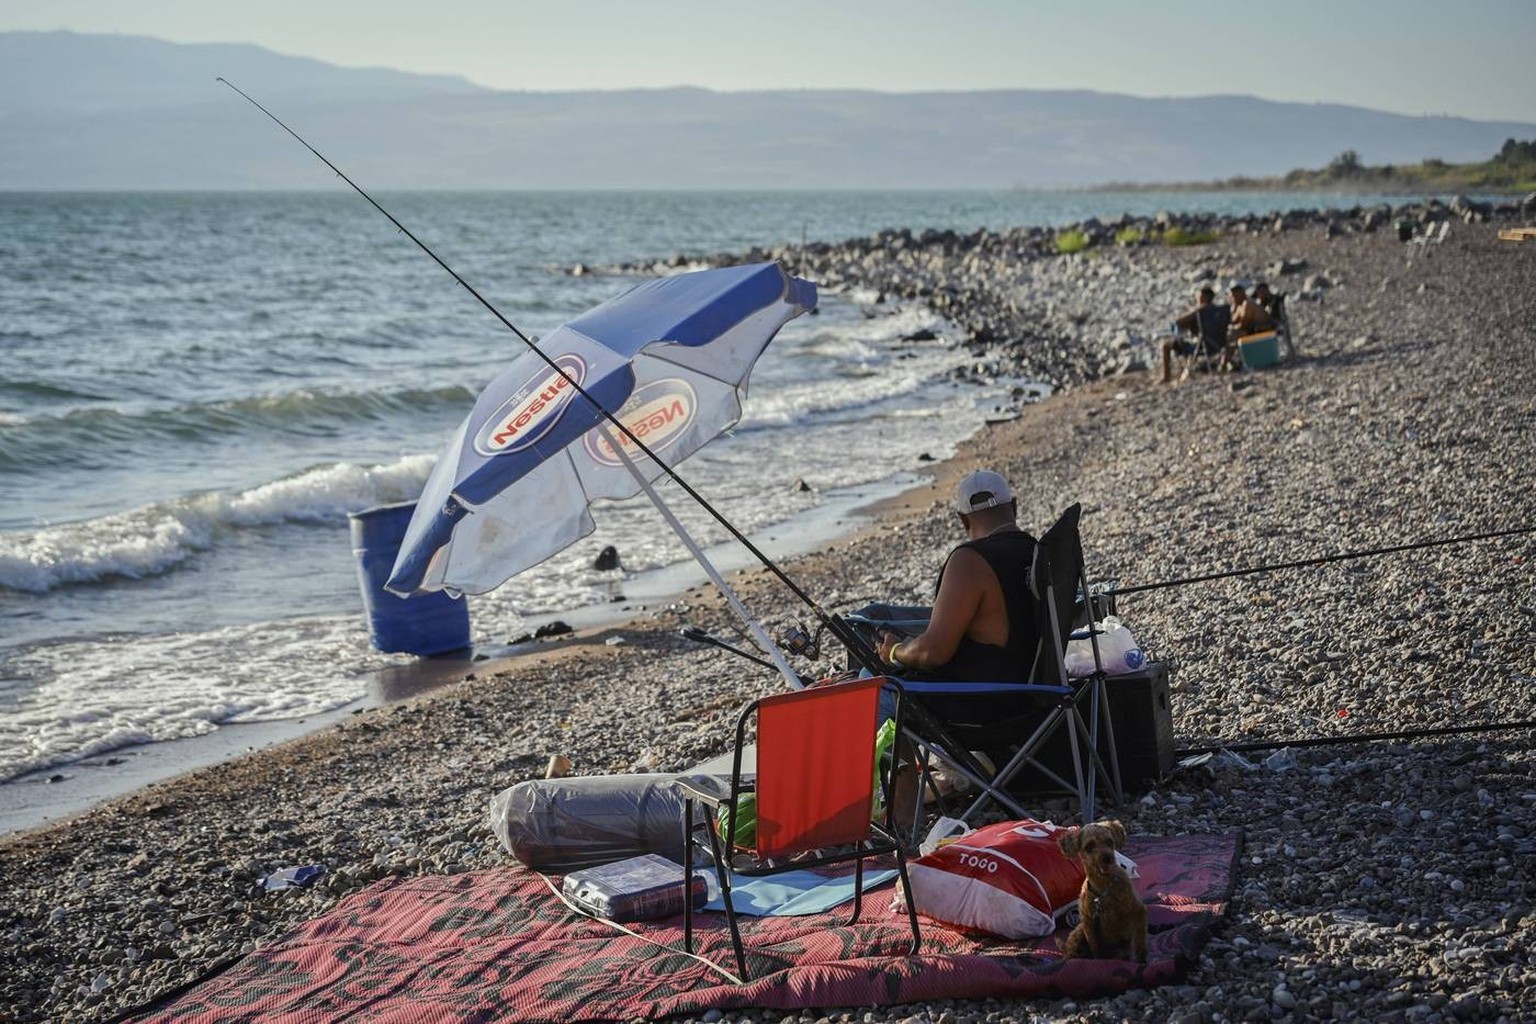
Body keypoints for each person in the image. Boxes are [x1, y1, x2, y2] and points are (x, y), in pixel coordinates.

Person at [875, 470, 1040, 682]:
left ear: (963, 520)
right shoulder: (1036, 551)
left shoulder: (969, 561)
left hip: (983, 699)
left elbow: (933, 652)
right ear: (1014, 506)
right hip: (1037, 690)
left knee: (871, 683)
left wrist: (894, 650)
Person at [1159, 286, 1230, 384]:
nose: (1196, 298)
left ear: (1203, 297)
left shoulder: (1200, 311)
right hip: (1220, 344)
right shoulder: (1221, 310)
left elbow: (1178, 322)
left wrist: (1195, 310)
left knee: (1166, 344)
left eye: (1198, 296)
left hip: (1203, 346)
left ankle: (1166, 377)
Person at [1223, 284, 1276, 370]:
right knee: (1230, 334)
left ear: (1242, 294)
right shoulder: (1238, 305)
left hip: (1262, 329)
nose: (1233, 298)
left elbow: (1244, 324)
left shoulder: (1247, 304)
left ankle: (1225, 364)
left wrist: (1233, 327)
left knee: (1232, 335)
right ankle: (1227, 362)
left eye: (1235, 296)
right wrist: (1234, 310)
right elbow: (1233, 321)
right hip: (1253, 328)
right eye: (1232, 296)